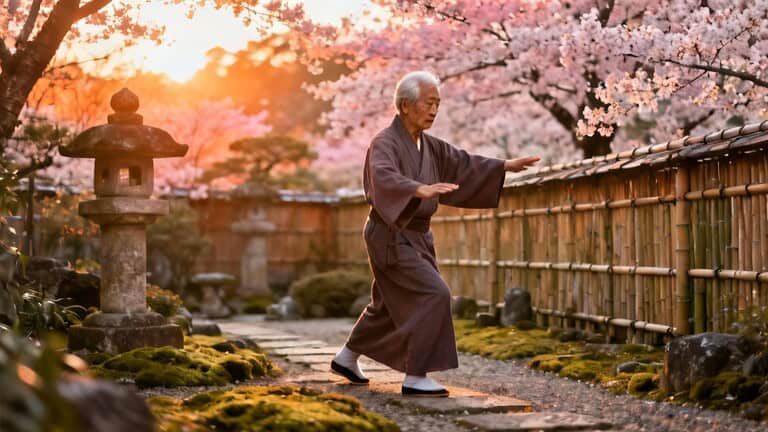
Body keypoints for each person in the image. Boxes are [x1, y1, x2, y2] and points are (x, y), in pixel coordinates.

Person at [330, 71, 540, 397]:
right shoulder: (384, 143)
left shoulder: (429, 145)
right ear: (404, 105)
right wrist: (417, 189)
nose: (433, 110)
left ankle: (346, 357)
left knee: (388, 304)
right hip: (390, 235)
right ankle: (416, 376)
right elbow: (383, 177)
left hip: (417, 237)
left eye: (437, 104)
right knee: (433, 294)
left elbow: (462, 163)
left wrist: (502, 166)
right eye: (428, 103)